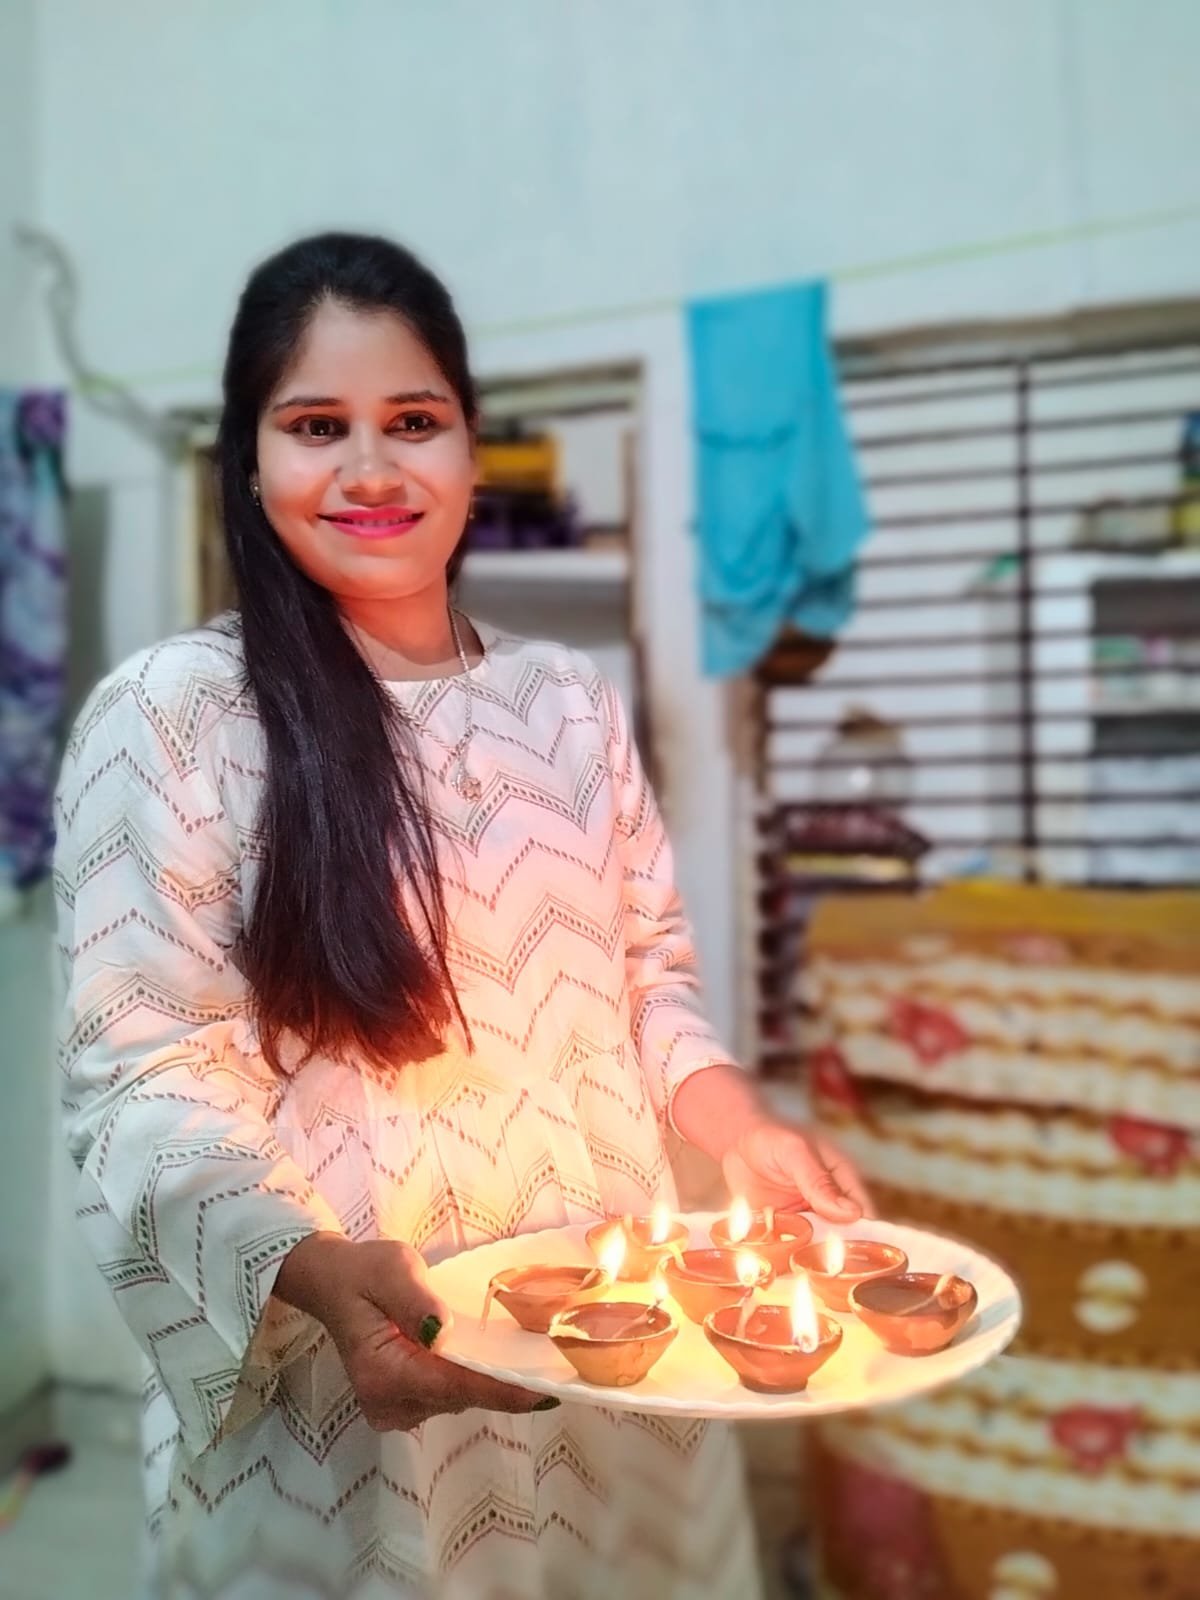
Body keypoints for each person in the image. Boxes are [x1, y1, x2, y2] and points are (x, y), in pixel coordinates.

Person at [54, 232, 868, 1600]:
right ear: (248, 463)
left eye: (414, 422)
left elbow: (648, 979)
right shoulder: (173, 715)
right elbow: (145, 1072)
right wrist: (315, 1273)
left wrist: (742, 1128)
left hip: (609, 1343)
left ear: (472, 450)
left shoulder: (570, 699)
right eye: (317, 426)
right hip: (350, 1389)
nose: (372, 471)